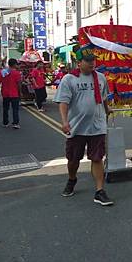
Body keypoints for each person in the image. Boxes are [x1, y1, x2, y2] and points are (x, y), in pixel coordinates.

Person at [54, 52, 113, 206]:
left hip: (97, 126)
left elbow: (104, 96)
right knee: (73, 160)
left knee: (97, 158)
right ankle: (72, 179)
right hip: (77, 127)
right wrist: (64, 122)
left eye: (93, 61)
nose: (91, 64)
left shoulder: (100, 77)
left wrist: (107, 110)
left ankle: (100, 191)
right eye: (87, 61)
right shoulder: (69, 79)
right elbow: (63, 102)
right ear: (78, 62)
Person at [0, 58, 22, 129]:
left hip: (5, 93)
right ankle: (15, 123)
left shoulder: (3, 72)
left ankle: (5, 123)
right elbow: (19, 84)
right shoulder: (17, 73)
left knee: (5, 109)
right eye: (17, 64)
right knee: (15, 109)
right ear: (14, 65)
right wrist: (20, 92)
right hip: (14, 94)